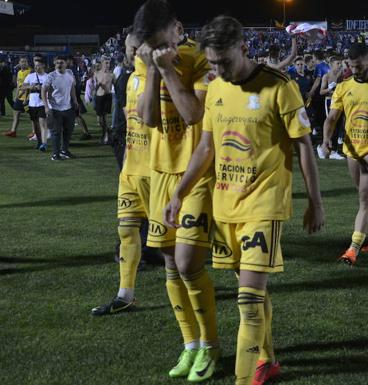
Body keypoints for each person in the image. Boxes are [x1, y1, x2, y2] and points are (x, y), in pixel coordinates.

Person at [164, 15, 324, 385]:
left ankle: (244, 378)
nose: (218, 69)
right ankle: (266, 360)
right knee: (252, 290)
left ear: (243, 48)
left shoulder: (279, 86)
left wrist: (315, 201)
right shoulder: (216, 88)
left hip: (264, 206)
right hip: (225, 207)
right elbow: (206, 147)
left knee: (248, 302)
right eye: (213, 62)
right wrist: (180, 192)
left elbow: (303, 147)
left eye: (224, 61)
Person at [133, 0, 220, 381]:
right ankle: (190, 345)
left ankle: (211, 346)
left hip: (196, 172)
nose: (156, 47)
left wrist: (166, 70)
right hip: (160, 170)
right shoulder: (147, 61)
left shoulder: (199, 60)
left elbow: (193, 115)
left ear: (177, 29)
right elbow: (149, 117)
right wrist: (152, 69)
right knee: (170, 263)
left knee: (188, 263)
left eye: (160, 39)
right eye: (149, 43)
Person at [91, 30, 151, 317]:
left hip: (160, 171)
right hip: (133, 168)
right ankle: (125, 294)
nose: (127, 52)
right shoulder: (130, 79)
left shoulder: (164, 78)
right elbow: (132, 125)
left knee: (175, 245)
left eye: (130, 47)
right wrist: (127, 159)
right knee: (126, 230)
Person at [322, 43, 368, 265]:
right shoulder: (343, 86)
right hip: (351, 147)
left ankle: (353, 249)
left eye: (358, 66)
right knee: (366, 197)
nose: (355, 70)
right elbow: (332, 117)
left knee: (363, 196)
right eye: (351, 67)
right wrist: (326, 138)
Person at [41, 56, 78, 161]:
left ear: (66, 64)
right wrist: (46, 106)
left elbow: (71, 87)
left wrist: (75, 100)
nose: (59, 65)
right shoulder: (51, 76)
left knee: (68, 131)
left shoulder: (70, 73)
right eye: (57, 63)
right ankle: (55, 154)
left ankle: (64, 151)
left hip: (68, 108)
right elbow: (43, 91)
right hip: (55, 108)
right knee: (56, 132)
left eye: (61, 62)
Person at [319, 55, 345, 160]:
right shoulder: (326, 76)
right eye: (337, 63)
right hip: (329, 100)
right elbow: (321, 92)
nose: (339, 66)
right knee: (330, 124)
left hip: (340, 101)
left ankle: (332, 149)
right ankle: (328, 149)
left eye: (340, 63)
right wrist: (329, 88)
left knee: (338, 125)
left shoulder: (342, 75)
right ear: (331, 64)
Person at [22, 60, 49, 151]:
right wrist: (31, 87)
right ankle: (40, 142)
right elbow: (23, 87)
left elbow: (52, 89)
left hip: (42, 103)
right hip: (32, 104)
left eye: (39, 65)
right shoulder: (30, 76)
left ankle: (44, 144)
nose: (37, 67)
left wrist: (43, 88)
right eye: (35, 66)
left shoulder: (47, 77)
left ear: (43, 65)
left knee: (43, 124)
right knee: (36, 125)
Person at [5, 57, 31, 137]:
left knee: (33, 117)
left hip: (28, 98)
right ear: (19, 63)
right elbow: (18, 85)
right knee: (16, 113)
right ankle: (13, 131)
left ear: (27, 63)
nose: (23, 63)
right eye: (22, 61)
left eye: (25, 61)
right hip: (20, 97)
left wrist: (25, 98)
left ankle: (35, 132)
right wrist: (16, 96)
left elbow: (28, 86)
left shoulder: (30, 72)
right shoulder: (19, 72)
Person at [95, 56, 114, 144]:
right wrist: (97, 86)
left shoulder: (111, 74)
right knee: (99, 120)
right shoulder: (97, 73)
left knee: (105, 117)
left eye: (109, 63)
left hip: (107, 97)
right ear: (102, 64)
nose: (108, 65)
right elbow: (94, 87)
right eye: (106, 63)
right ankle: (107, 131)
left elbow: (116, 86)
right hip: (99, 97)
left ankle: (105, 135)